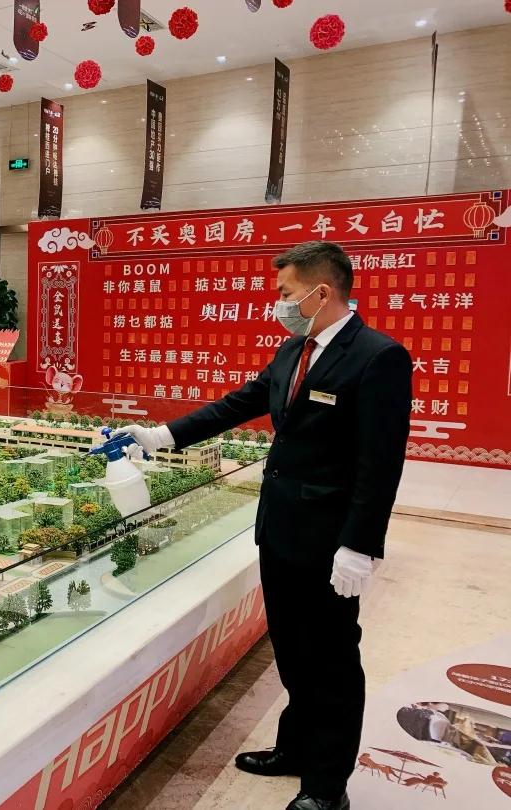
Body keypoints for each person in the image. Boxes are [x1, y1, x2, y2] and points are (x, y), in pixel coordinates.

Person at [117, 241, 412, 810]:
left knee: (330, 662)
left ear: (320, 292)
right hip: (279, 531)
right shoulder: (293, 350)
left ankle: (326, 787)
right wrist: (162, 436)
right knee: (293, 650)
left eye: (285, 292)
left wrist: (359, 545)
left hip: (330, 544)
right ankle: (295, 749)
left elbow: (380, 464)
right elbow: (238, 404)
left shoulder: (377, 357)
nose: (279, 303)